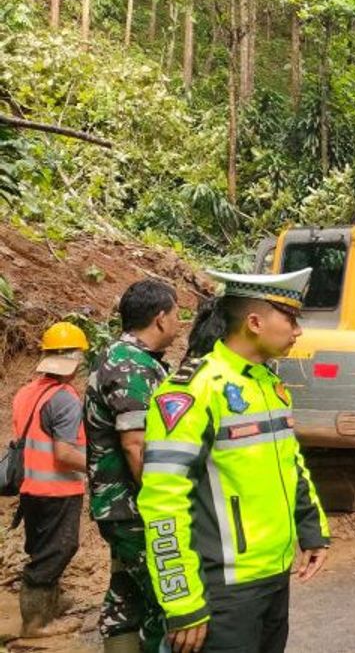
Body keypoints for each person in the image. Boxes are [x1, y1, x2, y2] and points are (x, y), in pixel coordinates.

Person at [137, 268, 331, 653]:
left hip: (274, 578)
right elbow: (162, 501)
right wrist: (183, 602)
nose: (298, 331)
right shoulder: (194, 391)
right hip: (223, 589)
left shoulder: (269, 386)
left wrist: (312, 530)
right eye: (290, 319)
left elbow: (292, 464)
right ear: (255, 322)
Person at [84, 280, 181, 653]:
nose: (179, 323)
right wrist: (164, 503)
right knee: (163, 599)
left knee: (125, 596)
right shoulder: (131, 365)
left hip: (120, 506)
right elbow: (135, 443)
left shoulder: (124, 357)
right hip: (133, 506)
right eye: (176, 315)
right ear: (159, 319)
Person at [12, 322, 89, 638]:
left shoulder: (28, 391)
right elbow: (64, 454)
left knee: (44, 548)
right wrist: (99, 467)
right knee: (56, 551)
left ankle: (49, 604)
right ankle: (36, 624)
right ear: (74, 358)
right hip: (57, 489)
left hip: (31, 487)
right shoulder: (65, 398)